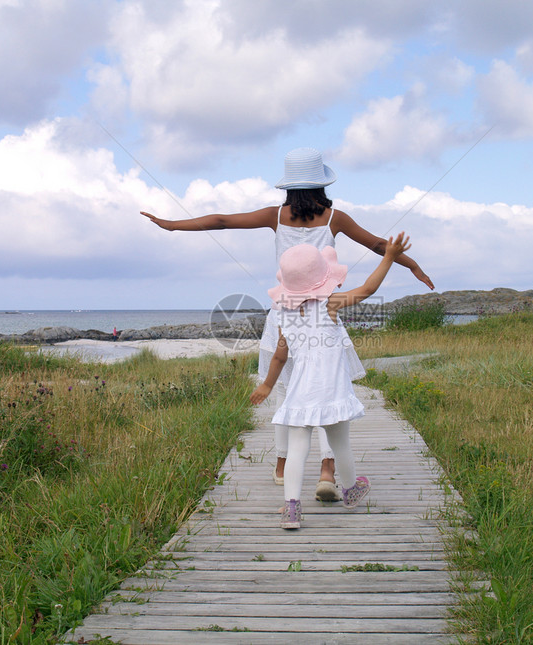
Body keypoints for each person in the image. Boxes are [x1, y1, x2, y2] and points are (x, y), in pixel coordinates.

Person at [141, 148, 434, 500]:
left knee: (285, 390)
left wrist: (173, 225)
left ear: (289, 187)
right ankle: (328, 470)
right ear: (322, 184)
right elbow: (377, 245)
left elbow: (220, 221)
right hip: (325, 311)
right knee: (328, 389)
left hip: (284, 312)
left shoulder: (275, 216)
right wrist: (411, 264)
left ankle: (282, 466)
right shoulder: (334, 218)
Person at [250, 232, 412, 529]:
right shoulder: (331, 305)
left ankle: (291, 509)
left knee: (298, 449)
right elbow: (368, 288)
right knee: (341, 445)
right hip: (332, 393)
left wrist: (266, 386)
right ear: (324, 279)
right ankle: (351, 490)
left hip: (300, 395)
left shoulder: (284, 315)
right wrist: (388, 257)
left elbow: (279, 358)